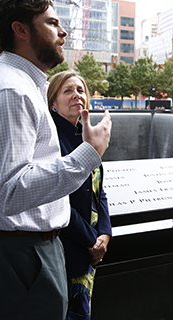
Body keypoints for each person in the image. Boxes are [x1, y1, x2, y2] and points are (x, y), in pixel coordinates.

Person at [0, 0, 112, 319]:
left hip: (21, 251)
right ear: (21, 30)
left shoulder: (21, 86)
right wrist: (89, 154)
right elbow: (11, 191)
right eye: (52, 23)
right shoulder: (9, 92)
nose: (63, 32)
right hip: (17, 257)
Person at [47, 71, 112, 320]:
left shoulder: (86, 135)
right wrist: (90, 240)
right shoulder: (49, 140)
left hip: (89, 251)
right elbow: (55, 197)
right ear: (52, 102)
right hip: (65, 250)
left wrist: (105, 233)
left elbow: (99, 190)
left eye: (81, 90)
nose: (77, 95)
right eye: (68, 90)